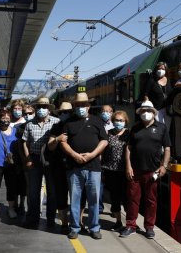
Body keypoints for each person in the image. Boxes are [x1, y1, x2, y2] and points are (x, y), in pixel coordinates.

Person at [120, 99, 171, 239]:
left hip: (152, 171)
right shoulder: (135, 128)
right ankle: (130, 225)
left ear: (153, 113)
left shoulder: (162, 127)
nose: (146, 113)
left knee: (151, 201)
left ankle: (149, 227)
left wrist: (164, 166)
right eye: (143, 111)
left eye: (148, 111)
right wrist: (128, 166)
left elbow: (167, 148)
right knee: (132, 199)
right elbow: (128, 148)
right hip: (135, 170)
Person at [60, 92, 108, 240]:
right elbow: (63, 142)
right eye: (78, 105)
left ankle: (94, 227)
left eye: (83, 105)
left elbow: (104, 141)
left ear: (88, 106)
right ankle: (74, 227)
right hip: (74, 167)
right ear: (74, 107)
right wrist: (74, 155)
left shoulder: (97, 121)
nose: (81, 107)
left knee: (93, 200)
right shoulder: (69, 122)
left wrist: (92, 154)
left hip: (93, 167)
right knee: (74, 199)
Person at [22, 97, 60, 228]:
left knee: (52, 191)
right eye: (39, 107)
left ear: (49, 109)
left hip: (51, 160)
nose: (42, 109)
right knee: (33, 191)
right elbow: (25, 143)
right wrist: (28, 158)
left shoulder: (56, 122)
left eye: (44, 107)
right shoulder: (29, 124)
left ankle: (50, 219)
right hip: (35, 159)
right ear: (36, 109)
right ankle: (33, 218)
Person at [102, 110, 129, 231]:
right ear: (112, 121)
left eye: (121, 120)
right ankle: (118, 221)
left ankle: (130, 222)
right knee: (115, 197)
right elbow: (103, 151)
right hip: (110, 170)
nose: (119, 122)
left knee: (127, 197)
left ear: (125, 121)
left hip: (125, 171)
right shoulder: (108, 133)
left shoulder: (129, 134)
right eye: (117, 120)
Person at [47, 101, 72, 231]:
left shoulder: (77, 125)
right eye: (62, 112)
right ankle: (64, 224)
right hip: (59, 166)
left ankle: (76, 223)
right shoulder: (56, 127)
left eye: (67, 112)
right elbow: (50, 146)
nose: (64, 114)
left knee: (77, 197)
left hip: (74, 166)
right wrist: (58, 139)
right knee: (61, 196)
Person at [143, 61, 173, 129]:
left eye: (163, 69)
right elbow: (146, 94)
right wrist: (148, 106)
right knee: (159, 127)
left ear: (166, 70)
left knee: (167, 128)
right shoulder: (151, 81)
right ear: (156, 70)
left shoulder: (168, 80)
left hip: (168, 109)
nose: (160, 70)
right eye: (159, 69)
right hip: (157, 109)